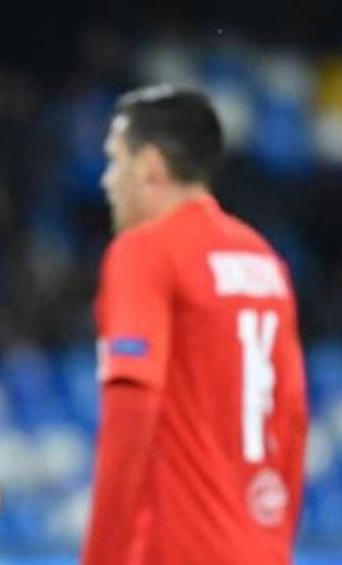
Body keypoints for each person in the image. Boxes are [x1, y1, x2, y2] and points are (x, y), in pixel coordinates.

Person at [82, 85, 308, 565]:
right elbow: (292, 416)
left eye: (116, 161)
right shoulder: (264, 260)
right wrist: (274, 544)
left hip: (177, 549)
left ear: (150, 165)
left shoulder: (145, 251)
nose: (107, 181)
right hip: (263, 550)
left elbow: (131, 407)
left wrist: (101, 557)